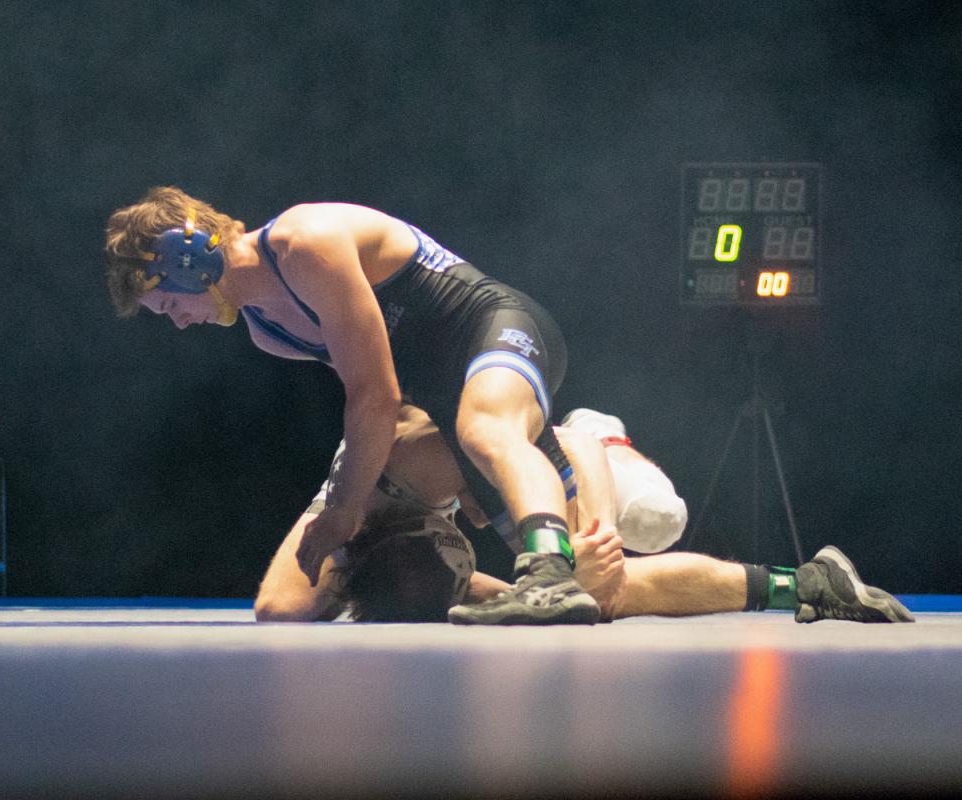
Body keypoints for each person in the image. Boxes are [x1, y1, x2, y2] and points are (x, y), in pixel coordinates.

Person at [106, 187, 603, 624]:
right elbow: (393, 399)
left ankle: (569, 499)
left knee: (488, 434)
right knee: (285, 607)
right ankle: (536, 569)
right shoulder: (269, 332)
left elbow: (375, 397)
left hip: (493, 333)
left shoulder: (304, 241)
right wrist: (450, 473)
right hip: (442, 408)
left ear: (188, 260)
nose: (180, 323)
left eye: (170, 305)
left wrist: (345, 510)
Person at [253, 407, 915, 625]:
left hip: (555, 436)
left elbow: (573, 450)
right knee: (586, 602)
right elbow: (278, 607)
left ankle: (607, 425)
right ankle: (806, 583)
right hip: (384, 525)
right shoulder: (377, 544)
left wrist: (597, 535)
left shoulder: (423, 456)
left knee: (651, 522)